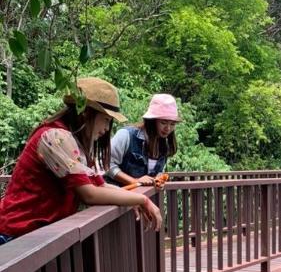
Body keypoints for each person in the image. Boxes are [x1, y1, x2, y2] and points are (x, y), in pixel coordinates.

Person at [0, 76, 162, 243]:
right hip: (12, 235)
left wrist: (130, 199)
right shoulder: (55, 137)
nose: (107, 129)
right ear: (85, 113)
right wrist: (142, 199)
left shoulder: (72, 141)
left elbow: (100, 185)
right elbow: (89, 194)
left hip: (29, 235)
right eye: (106, 120)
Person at [108, 93, 180, 186]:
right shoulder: (126, 135)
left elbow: (156, 172)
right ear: (152, 121)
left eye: (172, 124)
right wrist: (134, 181)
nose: (168, 128)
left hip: (141, 199)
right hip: (116, 195)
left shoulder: (164, 146)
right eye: (163, 122)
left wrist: (158, 180)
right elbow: (106, 165)